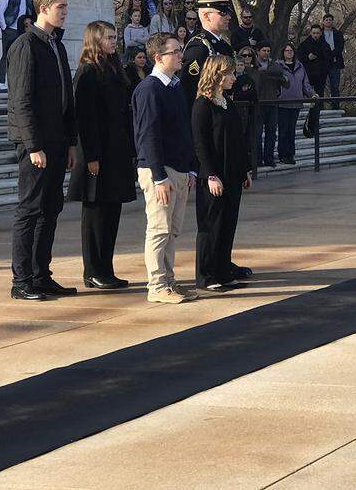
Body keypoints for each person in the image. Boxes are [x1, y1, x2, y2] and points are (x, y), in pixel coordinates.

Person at [7, 0, 77, 301]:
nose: (64, 12)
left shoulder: (56, 46)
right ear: (44, 8)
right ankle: (21, 279)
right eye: (60, 6)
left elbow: (66, 98)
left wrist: (71, 142)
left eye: (66, 6)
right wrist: (34, 145)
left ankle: (40, 274)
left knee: (51, 208)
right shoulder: (26, 45)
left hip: (58, 140)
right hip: (36, 143)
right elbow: (21, 99)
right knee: (30, 209)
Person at [68, 21, 136, 290]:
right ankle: (93, 270)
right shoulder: (87, 72)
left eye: (114, 36)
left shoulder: (114, 68)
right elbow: (85, 119)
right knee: (96, 213)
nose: (113, 41)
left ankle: (106, 268)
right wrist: (93, 156)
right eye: (108, 37)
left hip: (116, 149)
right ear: (95, 40)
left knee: (112, 211)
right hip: (97, 151)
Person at [132, 32, 197, 303]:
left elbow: (184, 129)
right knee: (159, 228)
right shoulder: (149, 89)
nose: (181, 55)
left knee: (173, 229)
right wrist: (159, 177)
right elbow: (148, 135)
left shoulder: (175, 86)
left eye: (180, 50)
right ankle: (157, 285)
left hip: (179, 167)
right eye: (175, 52)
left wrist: (191, 168)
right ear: (158, 57)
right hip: (160, 169)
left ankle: (170, 281)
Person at [192, 54, 253, 291]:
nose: (234, 78)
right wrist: (210, 175)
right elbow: (200, 144)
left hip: (232, 172)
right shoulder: (202, 105)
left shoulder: (226, 102)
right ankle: (206, 275)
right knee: (211, 225)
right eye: (229, 73)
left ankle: (223, 269)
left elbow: (238, 139)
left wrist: (245, 169)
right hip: (214, 175)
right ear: (217, 75)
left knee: (228, 222)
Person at [181, 0, 235, 105]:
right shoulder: (199, 47)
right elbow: (191, 87)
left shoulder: (225, 46)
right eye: (223, 13)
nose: (229, 17)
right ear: (206, 16)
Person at [276, 43, 316, 164]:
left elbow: (305, 84)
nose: (289, 52)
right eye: (287, 50)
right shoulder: (278, 66)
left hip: (296, 102)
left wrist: (312, 94)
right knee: (283, 130)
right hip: (282, 102)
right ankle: (282, 154)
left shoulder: (300, 66)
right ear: (283, 52)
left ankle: (290, 154)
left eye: (291, 50)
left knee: (291, 130)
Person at [254, 42, 288, 167]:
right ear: (258, 51)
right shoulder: (254, 64)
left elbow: (283, 78)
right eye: (264, 50)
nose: (266, 53)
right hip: (258, 104)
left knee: (271, 132)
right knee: (257, 133)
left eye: (268, 51)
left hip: (272, 102)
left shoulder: (274, 65)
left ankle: (269, 158)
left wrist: (268, 73)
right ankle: (258, 158)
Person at [0, 0, 35, 75]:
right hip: (10, 29)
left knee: (21, 55)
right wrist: (4, 27)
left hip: (23, 30)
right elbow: (0, 11)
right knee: (6, 54)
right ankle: (1, 82)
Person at [231, 48, 260, 176]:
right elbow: (232, 94)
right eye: (237, 65)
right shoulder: (230, 79)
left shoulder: (248, 79)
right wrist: (241, 93)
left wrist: (243, 93)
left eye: (242, 65)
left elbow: (253, 94)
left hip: (245, 112)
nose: (240, 67)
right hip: (233, 112)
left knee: (246, 139)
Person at [297, 23, 330, 137]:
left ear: (321, 34)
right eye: (314, 33)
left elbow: (328, 60)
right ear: (311, 33)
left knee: (317, 103)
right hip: (306, 77)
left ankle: (313, 126)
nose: (316, 35)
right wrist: (308, 58)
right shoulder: (304, 45)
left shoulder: (325, 45)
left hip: (320, 78)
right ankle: (303, 125)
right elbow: (299, 59)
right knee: (304, 102)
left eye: (318, 33)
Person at [321, 13, 345, 108]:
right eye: (326, 20)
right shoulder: (320, 33)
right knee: (320, 85)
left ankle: (335, 106)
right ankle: (320, 106)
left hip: (335, 62)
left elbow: (340, 46)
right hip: (322, 63)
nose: (328, 21)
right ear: (323, 22)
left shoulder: (337, 33)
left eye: (330, 20)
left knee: (335, 86)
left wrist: (332, 54)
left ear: (332, 21)